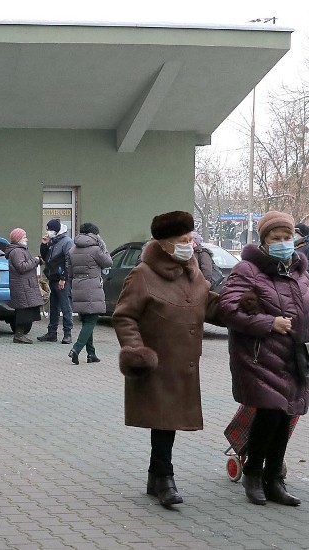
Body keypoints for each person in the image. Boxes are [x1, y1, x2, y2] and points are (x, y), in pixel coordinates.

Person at [112, 211, 219, 508]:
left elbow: (207, 304)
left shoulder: (192, 271)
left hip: (184, 362)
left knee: (167, 421)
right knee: (164, 421)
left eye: (191, 239)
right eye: (183, 240)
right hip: (157, 362)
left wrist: (243, 306)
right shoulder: (143, 275)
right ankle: (163, 478)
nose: (190, 244)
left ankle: (155, 476)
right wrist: (135, 350)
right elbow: (124, 316)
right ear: (165, 244)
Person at [219, 211, 309, 507]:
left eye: (287, 237)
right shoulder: (248, 270)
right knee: (269, 413)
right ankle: (253, 474)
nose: (284, 243)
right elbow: (227, 309)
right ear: (264, 242)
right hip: (260, 356)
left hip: (295, 356)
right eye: (276, 238)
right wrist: (268, 323)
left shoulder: (300, 270)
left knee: (286, 415)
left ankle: (275, 479)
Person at [67, 222, 113, 364]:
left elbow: (69, 272)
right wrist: (103, 246)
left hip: (77, 286)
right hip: (92, 286)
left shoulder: (72, 250)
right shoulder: (95, 249)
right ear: (94, 235)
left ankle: (91, 354)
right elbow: (108, 262)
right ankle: (76, 349)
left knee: (87, 320)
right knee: (92, 320)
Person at [37, 218, 74, 344]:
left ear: (57, 230)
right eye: (48, 230)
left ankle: (67, 334)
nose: (49, 232)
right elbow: (45, 257)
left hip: (62, 279)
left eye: (51, 230)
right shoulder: (53, 241)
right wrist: (44, 244)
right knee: (54, 307)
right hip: (53, 278)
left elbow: (69, 262)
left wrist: (64, 278)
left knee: (65, 307)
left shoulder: (67, 242)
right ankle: (52, 332)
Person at [4, 228, 44, 344]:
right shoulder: (17, 251)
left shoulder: (20, 250)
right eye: (24, 236)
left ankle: (20, 334)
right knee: (23, 311)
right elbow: (22, 267)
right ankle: (19, 335)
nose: (26, 238)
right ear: (18, 239)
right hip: (22, 285)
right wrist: (35, 260)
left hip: (25, 284)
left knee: (24, 310)